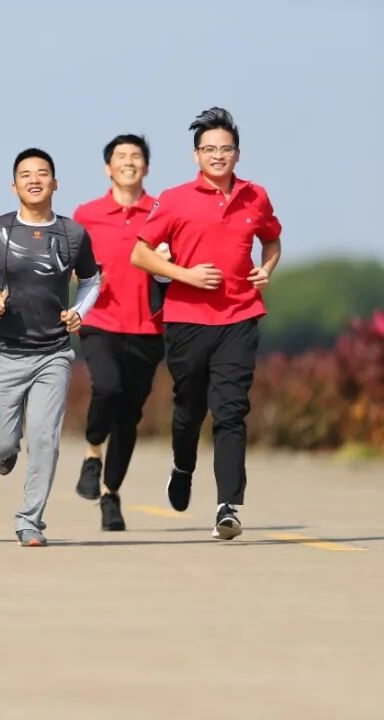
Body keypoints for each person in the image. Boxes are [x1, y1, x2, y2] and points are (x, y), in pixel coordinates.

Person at [131, 107, 282, 540]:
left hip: (240, 316)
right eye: (209, 149)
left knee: (231, 410)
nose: (218, 156)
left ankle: (227, 507)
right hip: (187, 320)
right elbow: (140, 254)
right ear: (196, 155)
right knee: (190, 409)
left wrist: (266, 269)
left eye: (225, 149)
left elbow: (271, 239)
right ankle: (183, 466)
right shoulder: (174, 199)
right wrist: (187, 275)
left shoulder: (256, 196)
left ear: (238, 154)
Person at [0, 148, 101, 547]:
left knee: (44, 439)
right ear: (14, 185)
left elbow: (92, 280)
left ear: (55, 183)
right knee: (1, 443)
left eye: (42, 173)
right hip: (1, 350)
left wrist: (79, 311)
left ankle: (30, 520)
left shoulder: (73, 234)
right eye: (25, 174)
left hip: (52, 353)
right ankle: (3, 452)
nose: (34, 180)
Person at [71, 134, 166, 531]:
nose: (129, 161)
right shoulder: (86, 214)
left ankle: (111, 495)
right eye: (121, 156)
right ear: (108, 167)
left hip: (149, 326)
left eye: (136, 156)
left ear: (146, 166)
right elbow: (70, 266)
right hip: (101, 321)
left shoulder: (162, 212)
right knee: (107, 388)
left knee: (128, 416)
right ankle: (92, 452)